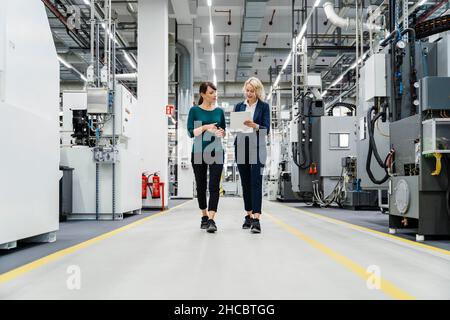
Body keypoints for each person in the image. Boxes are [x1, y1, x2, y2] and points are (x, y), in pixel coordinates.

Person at [187, 82, 226, 233]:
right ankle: (204, 215)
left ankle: (211, 219)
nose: (214, 95)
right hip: (198, 151)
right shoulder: (194, 111)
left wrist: (220, 133)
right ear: (203, 94)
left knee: (214, 186)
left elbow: (224, 131)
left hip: (216, 150)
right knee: (201, 186)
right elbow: (191, 132)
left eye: (215, 93)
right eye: (211, 93)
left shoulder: (219, 112)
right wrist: (205, 127)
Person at [234, 77, 270, 234]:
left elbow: (266, 129)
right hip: (241, 145)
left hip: (258, 146)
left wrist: (254, 125)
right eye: (247, 90)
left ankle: (256, 219)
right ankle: (248, 215)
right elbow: (235, 127)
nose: (248, 93)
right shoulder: (238, 106)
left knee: (256, 182)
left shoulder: (264, 107)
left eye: (252, 91)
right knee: (245, 183)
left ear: (257, 91)